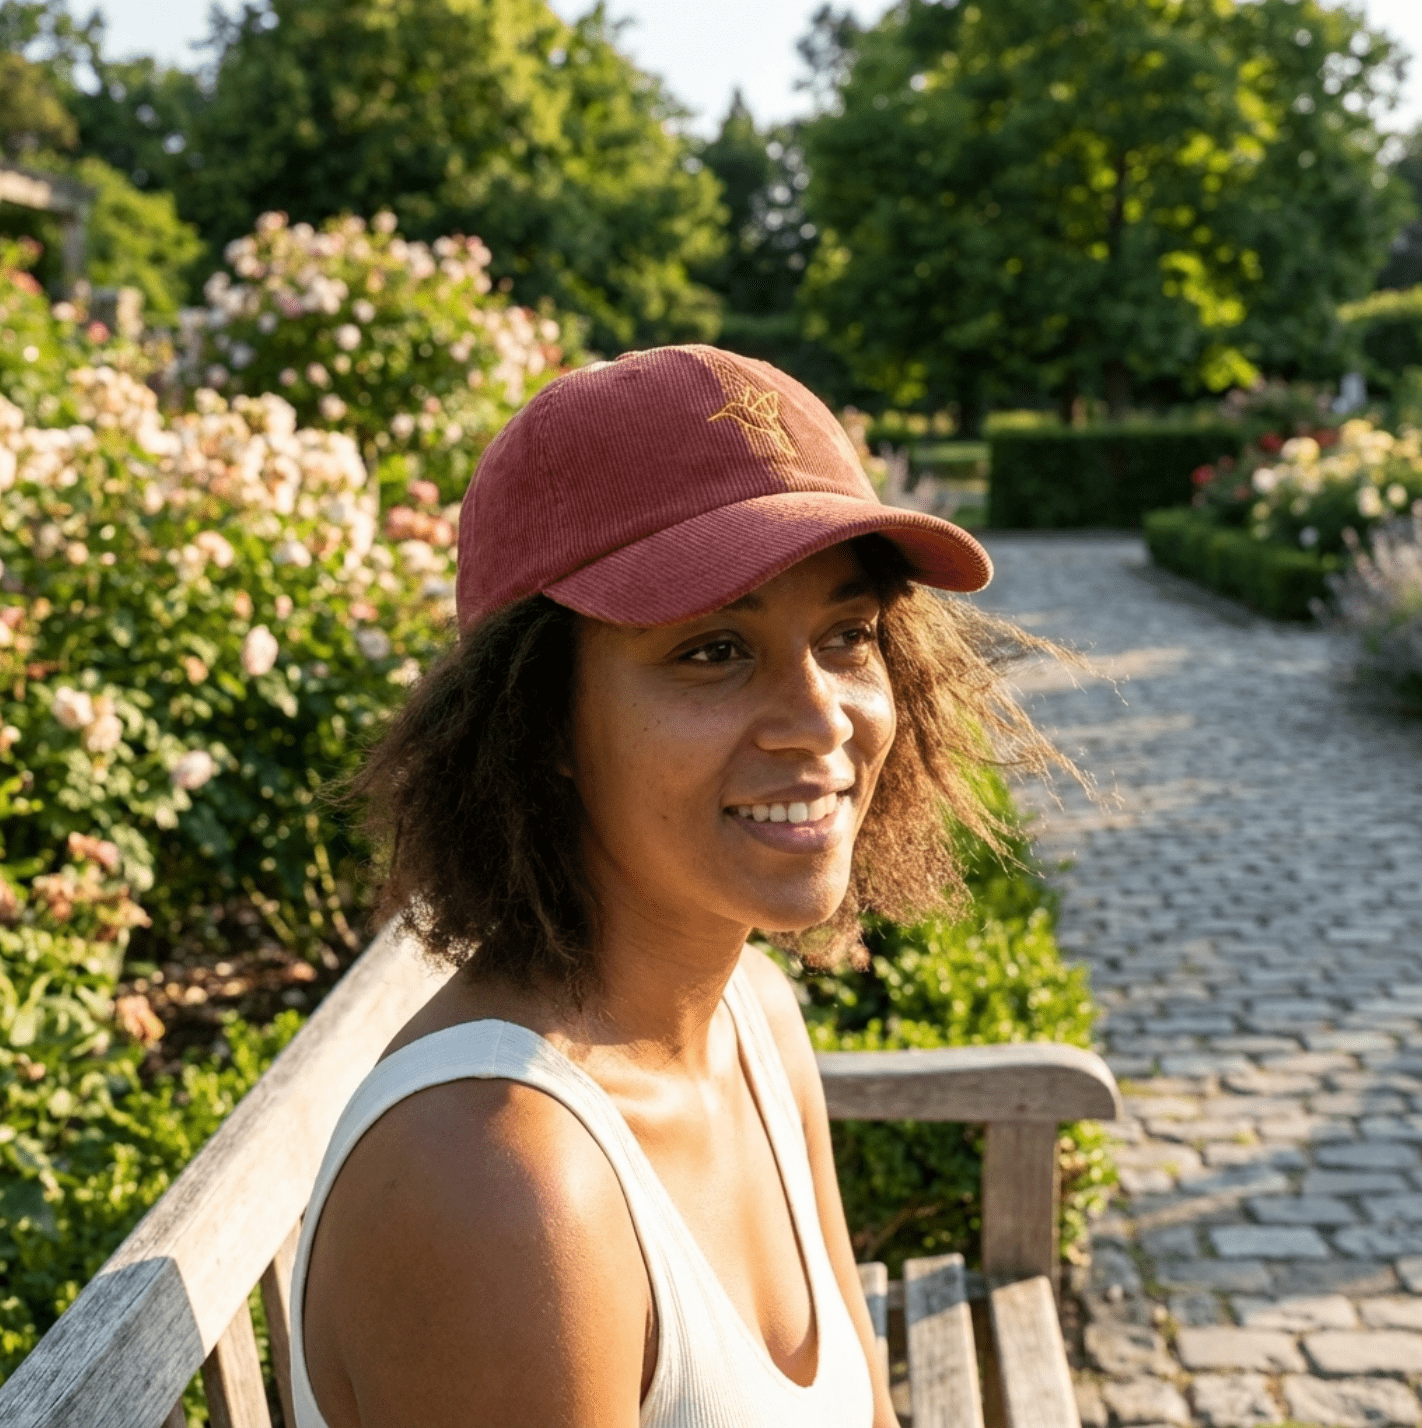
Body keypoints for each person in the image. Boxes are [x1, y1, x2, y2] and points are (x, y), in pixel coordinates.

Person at [289, 345, 1066, 1428]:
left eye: (847, 636)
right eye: (711, 650)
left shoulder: (751, 1016)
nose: (823, 719)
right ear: (540, 719)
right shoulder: (503, 1182)